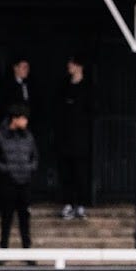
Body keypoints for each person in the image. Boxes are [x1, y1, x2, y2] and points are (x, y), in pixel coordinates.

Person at [0, 105, 38, 249]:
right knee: (6, 219)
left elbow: (34, 157)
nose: (26, 122)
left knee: (25, 219)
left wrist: (30, 168)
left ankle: (27, 251)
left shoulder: (28, 136)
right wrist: (6, 170)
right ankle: (3, 250)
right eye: (23, 118)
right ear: (14, 119)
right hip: (7, 183)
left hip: (25, 183)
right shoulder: (0, 135)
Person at [57, 56, 93, 220]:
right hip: (66, 137)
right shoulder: (65, 86)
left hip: (81, 138)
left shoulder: (88, 86)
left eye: (71, 64)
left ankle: (80, 204)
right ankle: (68, 204)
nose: (68, 66)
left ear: (79, 66)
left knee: (81, 173)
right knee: (67, 173)